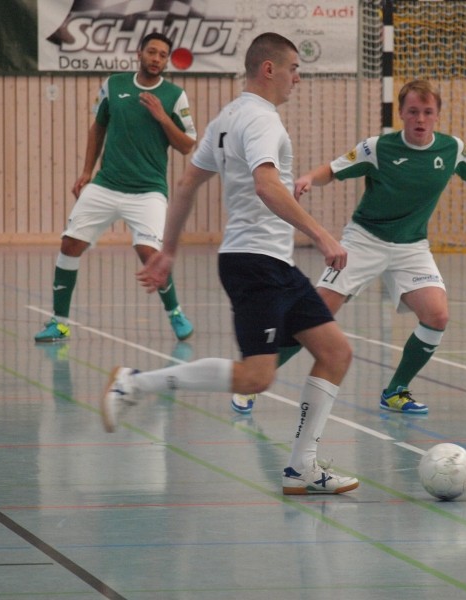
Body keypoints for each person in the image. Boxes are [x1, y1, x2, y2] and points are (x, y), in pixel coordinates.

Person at [100, 33, 359, 496]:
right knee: (257, 376)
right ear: (269, 69)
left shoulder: (226, 118)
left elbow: (186, 184)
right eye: (294, 69)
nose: (297, 78)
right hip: (256, 262)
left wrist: (168, 251)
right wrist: (321, 234)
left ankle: (301, 468)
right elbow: (266, 185)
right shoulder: (261, 120)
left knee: (335, 353)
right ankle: (134, 384)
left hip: (270, 261)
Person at [231, 79, 466, 416]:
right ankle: (253, 379)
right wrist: (310, 179)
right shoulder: (378, 148)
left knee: (437, 315)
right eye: (413, 111)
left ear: (437, 115)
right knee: (316, 314)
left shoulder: (451, 148)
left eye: (427, 112)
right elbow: (332, 169)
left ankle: (396, 391)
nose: (420, 119)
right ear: (401, 113)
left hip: (411, 246)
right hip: (365, 240)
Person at [34, 32, 197, 343]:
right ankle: (59, 322)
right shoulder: (114, 84)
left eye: (163, 55)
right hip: (106, 183)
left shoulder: (175, 96)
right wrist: (86, 171)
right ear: (139, 53)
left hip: (148, 189)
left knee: (149, 253)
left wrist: (163, 118)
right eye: (151, 52)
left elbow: (187, 145)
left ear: (167, 61)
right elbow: (98, 127)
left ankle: (175, 313)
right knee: (69, 244)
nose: (156, 59)